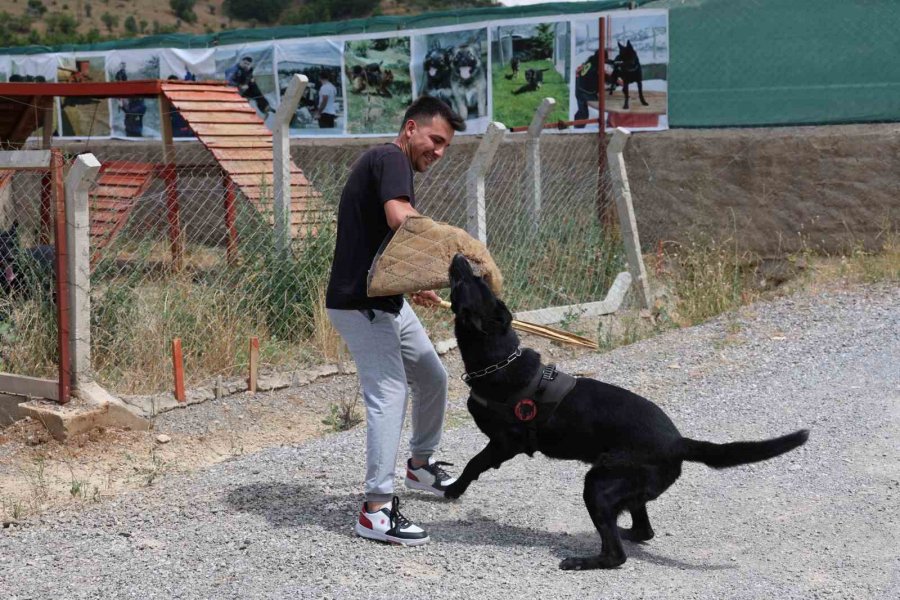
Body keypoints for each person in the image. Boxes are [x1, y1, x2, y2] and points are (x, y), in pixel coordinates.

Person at [325, 96, 465, 547]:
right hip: (359, 303)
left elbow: (384, 239)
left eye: (445, 146)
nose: (438, 152)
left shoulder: (388, 163)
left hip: (386, 299)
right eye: (435, 140)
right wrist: (447, 252)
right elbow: (399, 217)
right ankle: (376, 510)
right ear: (410, 129)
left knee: (432, 375)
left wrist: (414, 280)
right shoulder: (391, 158)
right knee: (390, 392)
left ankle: (420, 467)